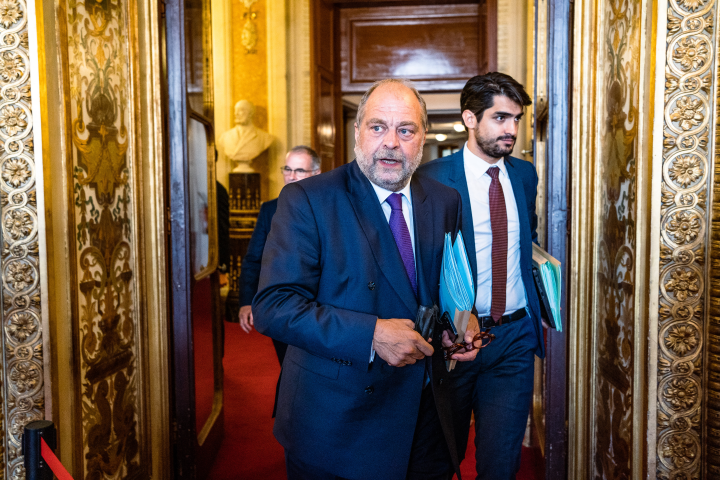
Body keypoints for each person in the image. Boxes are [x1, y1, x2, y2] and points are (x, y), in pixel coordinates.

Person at [253, 78, 481, 480]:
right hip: (338, 424)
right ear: (357, 132)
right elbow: (275, 306)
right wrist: (371, 334)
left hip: (427, 418)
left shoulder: (446, 200)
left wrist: (461, 320)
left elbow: (449, 283)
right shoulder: (308, 199)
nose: (391, 142)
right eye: (377, 127)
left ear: (422, 138)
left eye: (405, 130)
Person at [417, 72, 545, 480]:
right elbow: (422, 263)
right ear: (470, 119)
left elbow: (529, 239)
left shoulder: (524, 176)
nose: (511, 129)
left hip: (514, 338)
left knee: (501, 460)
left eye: (516, 120)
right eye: (500, 118)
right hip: (455, 338)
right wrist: (445, 326)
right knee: (441, 453)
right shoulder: (432, 178)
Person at [238, 145, 322, 367]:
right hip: (282, 306)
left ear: (316, 173)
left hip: (320, 309)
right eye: (288, 169)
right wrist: (247, 301)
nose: (292, 176)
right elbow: (254, 258)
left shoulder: (327, 208)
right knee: (287, 367)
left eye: (300, 170)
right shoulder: (269, 210)